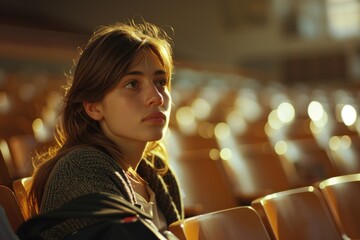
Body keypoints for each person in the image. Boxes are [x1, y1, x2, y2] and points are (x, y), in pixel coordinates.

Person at [27, 19, 184, 239]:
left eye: (160, 82)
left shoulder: (159, 175)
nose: (157, 98)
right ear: (94, 107)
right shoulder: (79, 170)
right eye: (132, 84)